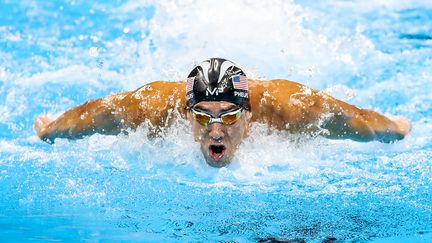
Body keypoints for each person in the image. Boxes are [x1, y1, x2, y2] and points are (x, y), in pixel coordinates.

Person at [34, 58, 411, 167]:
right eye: (203, 115)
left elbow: (357, 120)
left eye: (229, 116)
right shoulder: (151, 109)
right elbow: (100, 113)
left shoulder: (291, 109)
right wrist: (51, 128)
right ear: (187, 113)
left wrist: (394, 127)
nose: (216, 130)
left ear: (248, 115)